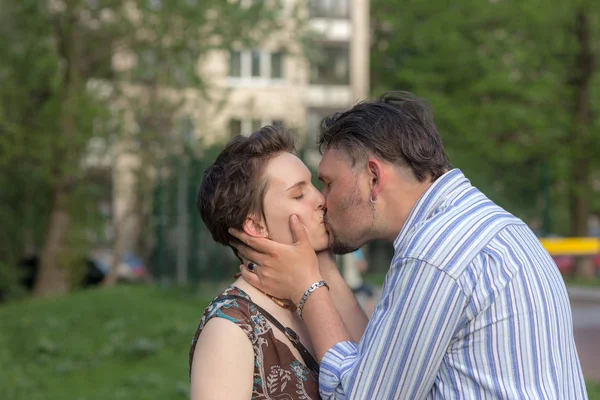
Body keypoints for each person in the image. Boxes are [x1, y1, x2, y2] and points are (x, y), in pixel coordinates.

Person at [230, 92, 588, 398]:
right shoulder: (487, 225)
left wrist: (307, 289)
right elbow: (379, 362)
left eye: (328, 183)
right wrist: (322, 269)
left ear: (373, 177)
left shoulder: (435, 255)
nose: (323, 200)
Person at [190, 125, 367, 399]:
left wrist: (323, 265)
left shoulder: (316, 296)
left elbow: (370, 376)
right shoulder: (231, 328)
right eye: (298, 194)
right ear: (255, 225)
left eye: (314, 187)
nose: (321, 199)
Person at [341, 248, 375, 315]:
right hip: (354, 282)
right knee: (370, 292)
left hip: (342, 282)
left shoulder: (339, 250)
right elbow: (362, 267)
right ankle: (370, 315)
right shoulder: (356, 251)